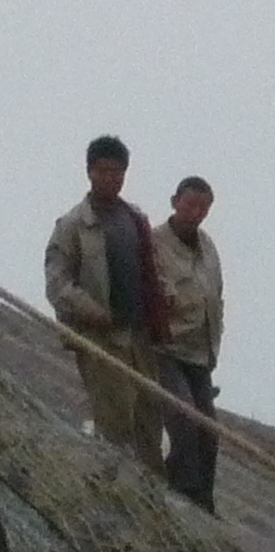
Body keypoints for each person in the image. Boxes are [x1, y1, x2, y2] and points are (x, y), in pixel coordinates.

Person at [44, 135, 169, 468]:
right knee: (114, 422)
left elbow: (151, 270)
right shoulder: (73, 225)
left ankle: (152, 495)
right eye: (104, 171)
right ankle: (115, 487)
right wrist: (95, 312)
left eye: (118, 172)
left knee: (149, 420)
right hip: (101, 338)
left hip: (139, 336)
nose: (112, 178)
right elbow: (58, 285)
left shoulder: (135, 219)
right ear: (90, 172)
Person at [152, 175, 223, 509]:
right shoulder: (153, 243)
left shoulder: (208, 247)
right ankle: (182, 495)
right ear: (174, 201)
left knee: (210, 432)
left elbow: (216, 297)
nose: (196, 212)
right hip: (167, 350)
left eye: (203, 207)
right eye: (190, 204)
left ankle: (203, 501)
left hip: (200, 354)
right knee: (183, 421)